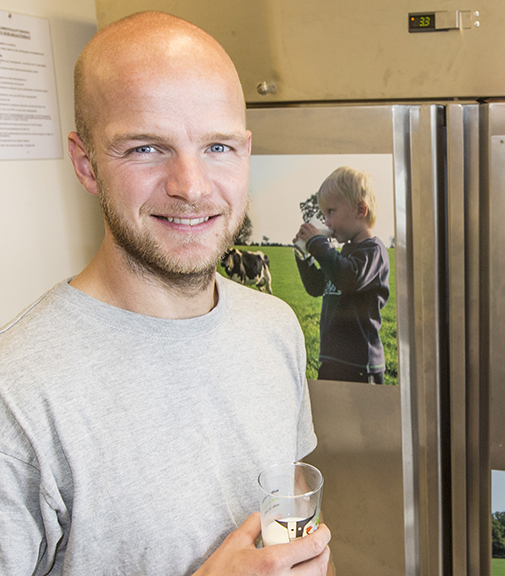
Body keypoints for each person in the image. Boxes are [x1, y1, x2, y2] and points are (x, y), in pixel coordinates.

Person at [0, 12, 332, 575]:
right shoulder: (20, 397)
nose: (192, 186)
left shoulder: (274, 326)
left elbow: (289, 488)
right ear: (86, 164)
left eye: (218, 147)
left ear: (247, 150)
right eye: (146, 148)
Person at [294, 166, 390, 383]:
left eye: (331, 212)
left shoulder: (373, 251)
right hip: (332, 359)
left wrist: (318, 243)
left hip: (360, 366)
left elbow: (348, 278)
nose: (326, 221)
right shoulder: (342, 255)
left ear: (360, 210)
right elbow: (316, 287)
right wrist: (304, 257)